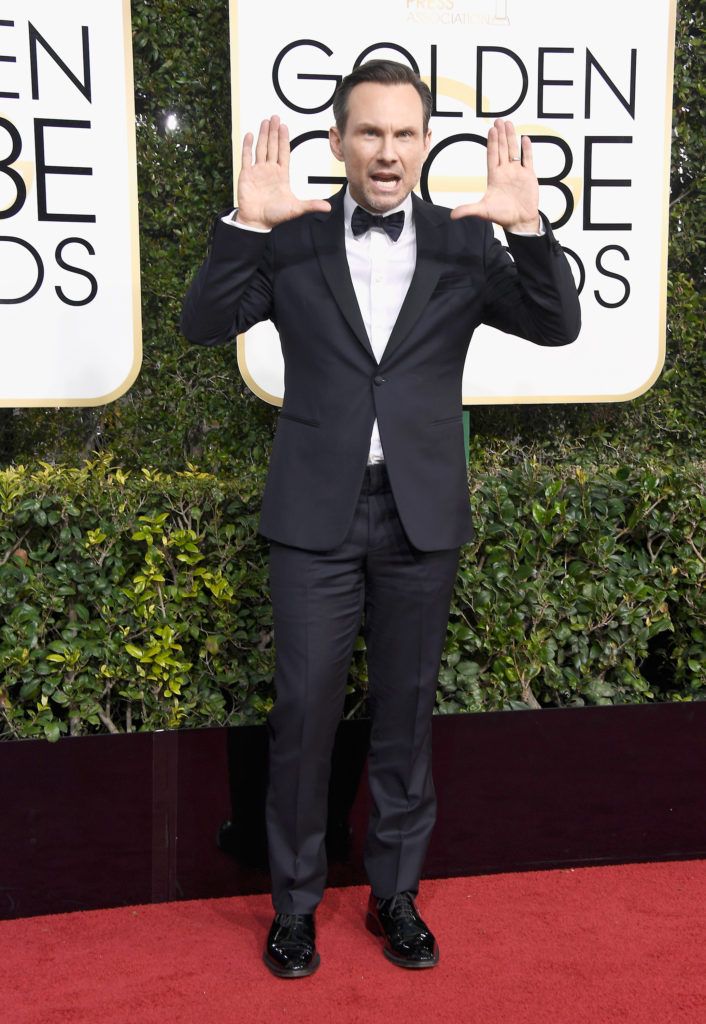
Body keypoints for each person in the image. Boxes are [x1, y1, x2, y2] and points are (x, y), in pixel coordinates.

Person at [181, 59, 581, 979]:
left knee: (405, 716)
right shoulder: (291, 240)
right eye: (370, 132)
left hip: (421, 515)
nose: (388, 151)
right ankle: (293, 908)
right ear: (338, 143)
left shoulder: (467, 243)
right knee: (304, 714)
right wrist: (246, 222)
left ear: (426, 142)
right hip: (313, 518)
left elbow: (557, 325)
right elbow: (204, 322)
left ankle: (394, 897)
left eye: (405, 133)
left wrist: (527, 228)